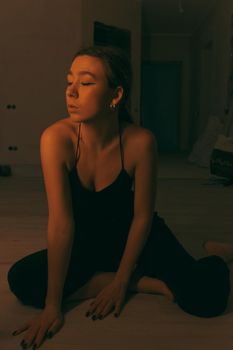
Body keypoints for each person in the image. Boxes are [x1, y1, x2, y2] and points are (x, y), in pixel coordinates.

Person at [7, 46, 231, 349]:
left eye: (85, 83)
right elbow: (62, 224)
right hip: (87, 241)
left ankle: (218, 253)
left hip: (136, 236)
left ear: (115, 95)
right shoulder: (55, 139)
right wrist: (52, 307)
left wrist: (121, 278)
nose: (71, 92)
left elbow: (142, 217)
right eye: (69, 81)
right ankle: (147, 284)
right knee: (22, 280)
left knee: (207, 299)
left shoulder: (140, 141)